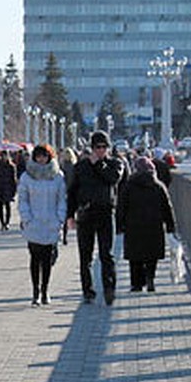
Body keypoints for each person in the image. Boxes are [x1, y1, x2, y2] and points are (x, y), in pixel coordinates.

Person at [67, 130, 125, 305]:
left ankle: (109, 289)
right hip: (85, 214)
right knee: (85, 256)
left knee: (106, 254)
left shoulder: (115, 164)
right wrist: (69, 215)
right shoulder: (81, 167)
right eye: (97, 147)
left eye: (103, 147)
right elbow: (72, 192)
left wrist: (98, 164)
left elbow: (113, 179)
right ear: (92, 148)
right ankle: (88, 291)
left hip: (106, 213)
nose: (100, 150)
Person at [116, 156, 176, 293]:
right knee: (151, 256)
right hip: (154, 226)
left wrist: (120, 225)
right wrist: (171, 226)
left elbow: (121, 207)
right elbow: (167, 207)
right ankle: (150, 278)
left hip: (133, 227)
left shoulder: (129, 186)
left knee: (135, 257)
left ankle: (136, 284)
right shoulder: (158, 186)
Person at [18, 143, 68, 306]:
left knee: (47, 259)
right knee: (35, 258)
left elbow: (62, 198)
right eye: (38, 156)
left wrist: (60, 218)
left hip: (51, 222)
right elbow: (23, 199)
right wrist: (26, 217)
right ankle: (35, 291)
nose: (41, 159)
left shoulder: (57, 176)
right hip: (33, 222)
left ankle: (45, 290)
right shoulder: (27, 177)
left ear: (49, 157)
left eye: (44, 156)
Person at [0, 150, 18, 231]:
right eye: (2, 156)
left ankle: (7, 222)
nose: (4, 157)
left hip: (8, 188)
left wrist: (14, 189)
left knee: (7, 206)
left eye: (5, 156)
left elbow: (14, 179)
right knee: (0, 206)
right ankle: (2, 223)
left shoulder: (11, 166)